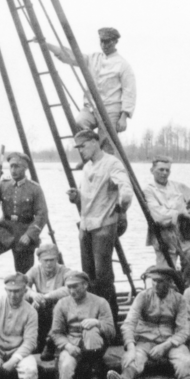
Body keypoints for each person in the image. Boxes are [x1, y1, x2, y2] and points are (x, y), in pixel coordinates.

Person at [110, 266, 190, 379]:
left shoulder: (179, 300)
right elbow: (128, 324)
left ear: (169, 282)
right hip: (145, 340)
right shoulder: (143, 297)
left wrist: (166, 346)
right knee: (132, 360)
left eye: (160, 281)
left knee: (185, 364)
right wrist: (131, 347)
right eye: (153, 281)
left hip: (170, 341)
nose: (155, 284)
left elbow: (183, 330)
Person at [67, 129, 132, 322]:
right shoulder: (88, 167)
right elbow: (89, 196)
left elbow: (126, 192)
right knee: (88, 276)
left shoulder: (112, 163)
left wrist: (121, 211)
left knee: (103, 277)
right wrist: (76, 197)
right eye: (78, 148)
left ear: (95, 142)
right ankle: (94, 316)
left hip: (104, 226)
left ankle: (109, 319)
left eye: (84, 146)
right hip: (86, 227)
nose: (81, 151)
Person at [46, 27, 136, 152]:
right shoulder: (92, 58)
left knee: (107, 142)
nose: (104, 45)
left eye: (108, 41)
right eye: (102, 41)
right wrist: (46, 44)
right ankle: (92, 153)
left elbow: (129, 92)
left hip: (111, 110)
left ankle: (104, 163)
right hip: (91, 108)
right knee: (79, 123)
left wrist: (124, 117)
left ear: (115, 42)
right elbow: (69, 55)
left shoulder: (123, 65)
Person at [49, 271, 115, 379]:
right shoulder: (62, 304)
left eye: (75, 286)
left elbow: (112, 332)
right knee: (65, 367)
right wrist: (67, 346)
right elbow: (56, 332)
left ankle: (95, 377)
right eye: (69, 287)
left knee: (91, 332)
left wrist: (98, 323)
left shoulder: (100, 302)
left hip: (94, 345)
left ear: (85, 285)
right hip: (71, 343)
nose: (72, 291)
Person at [0, 152, 48, 299]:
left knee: (23, 275)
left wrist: (30, 235)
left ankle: (25, 301)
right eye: (11, 166)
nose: (14, 170)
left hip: (24, 233)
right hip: (5, 231)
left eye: (17, 166)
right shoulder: (3, 185)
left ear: (25, 168)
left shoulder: (34, 188)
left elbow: (42, 215)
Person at [144, 157, 190, 288]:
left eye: (167, 170)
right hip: (164, 236)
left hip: (185, 234)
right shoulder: (149, 191)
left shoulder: (179, 187)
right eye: (160, 169)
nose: (164, 173)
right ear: (152, 170)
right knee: (164, 274)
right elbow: (158, 215)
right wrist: (180, 215)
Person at [25, 243, 72, 360]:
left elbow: (69, 288)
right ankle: (37, 341)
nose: (49, 263)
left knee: (56, 307)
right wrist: (33, 294)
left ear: (57, 259)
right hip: (41, 307)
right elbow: (23, 285)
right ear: (39, 260)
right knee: (31, 304)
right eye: (45, 260)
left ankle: (50, 343)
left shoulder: (65, 271)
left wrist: (46, 296)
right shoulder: (35, 270)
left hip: (60, 309)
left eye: (52, 260)